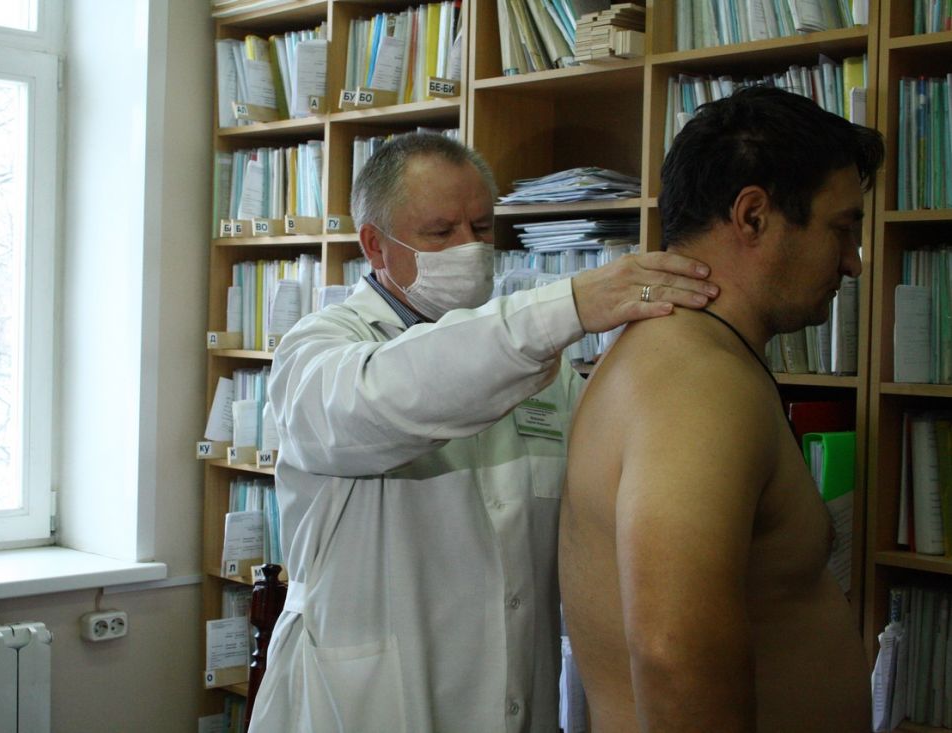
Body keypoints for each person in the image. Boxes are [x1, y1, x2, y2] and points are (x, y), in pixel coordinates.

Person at [248, 132, 719, 732]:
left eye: (481, 227)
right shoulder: (319, 350)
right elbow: (391, 396)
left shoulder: (544, 371)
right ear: (374, 245)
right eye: (440, 232)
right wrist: (570, 306)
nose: (469, 249)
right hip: (366, 706)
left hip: (516, 698)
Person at [559, 85, 885, 732]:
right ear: (753, 216)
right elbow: (671, 653)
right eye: (842, 228)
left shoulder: (695, 359)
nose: (853, 262)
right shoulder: (693, 381)